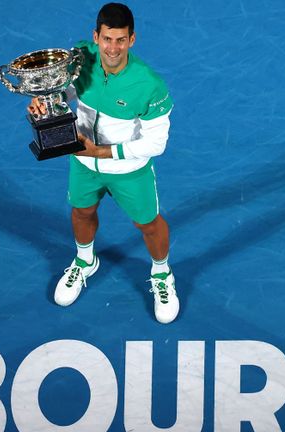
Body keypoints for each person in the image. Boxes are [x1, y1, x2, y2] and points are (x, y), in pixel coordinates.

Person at [28, 2, 179, 323]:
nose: (113, 48)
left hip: (129, 171)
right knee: (81, 211)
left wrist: (101, 152)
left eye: (121, 40)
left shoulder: (149, 84)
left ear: (132, 40)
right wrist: (47, 102)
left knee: (148, 224)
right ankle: (85, 261)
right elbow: (66, 91)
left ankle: (162, 273)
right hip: (83, 163)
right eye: (107, 39)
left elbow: (156, 143)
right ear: (95, 36)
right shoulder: (81, 58)